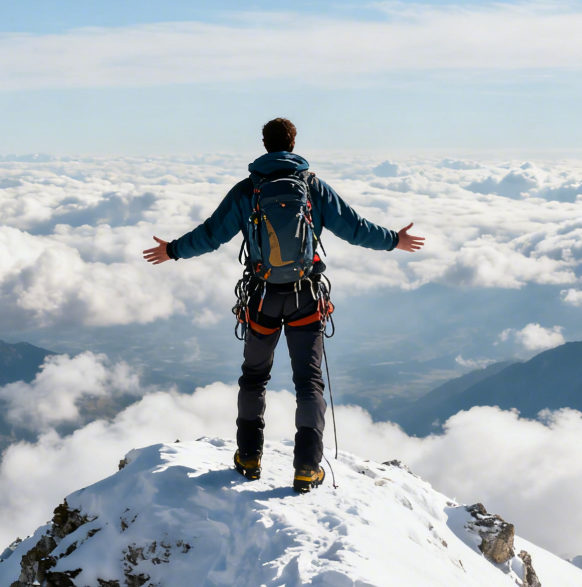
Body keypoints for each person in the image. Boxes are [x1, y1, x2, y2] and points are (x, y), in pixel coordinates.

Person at [143, 118, 425, 492]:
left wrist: (173, 250)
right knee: (308, 381)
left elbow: (212, 234)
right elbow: (354, 227)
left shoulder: (248, 190)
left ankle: (249, 458)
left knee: (254, 377)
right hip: (306, 297)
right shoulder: (313, 188)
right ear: (293, 144)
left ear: (265, 144)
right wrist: (394, 240)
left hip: (261, 298)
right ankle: (307, 467)